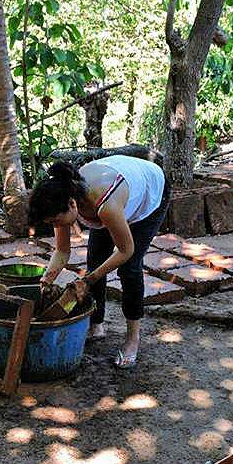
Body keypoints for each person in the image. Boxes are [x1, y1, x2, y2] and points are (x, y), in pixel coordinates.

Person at [29, 156, 168, 369]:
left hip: (150, 193)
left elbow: (125, 250)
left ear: (72, 204)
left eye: (56, 221)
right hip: (114, 196)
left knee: (129, 269)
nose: (55, 225)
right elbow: (62, 251)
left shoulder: (105, 204)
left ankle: (133, 339)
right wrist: (45, 281)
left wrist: (88, 280)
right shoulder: (63, 197)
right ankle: (97, 325)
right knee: (95, 260)